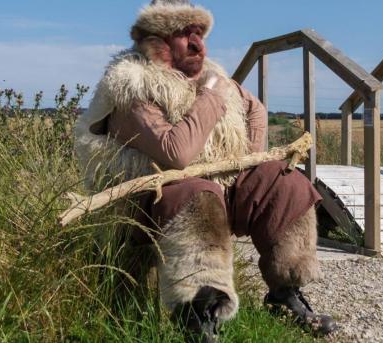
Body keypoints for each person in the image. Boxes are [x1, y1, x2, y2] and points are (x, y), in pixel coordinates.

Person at [74, 0, 337, 340]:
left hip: (212, 188)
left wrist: (249, 166)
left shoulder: (210, 73)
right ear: (156, 41)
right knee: (196, 194)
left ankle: (284, 293)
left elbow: (254, 108)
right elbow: (176, 153)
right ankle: (198, 317)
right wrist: (210, 96)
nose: (198, 44)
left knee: (284, 182)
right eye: (185, 34)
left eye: (199, 32)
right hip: (145, 204)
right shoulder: (133, 86)